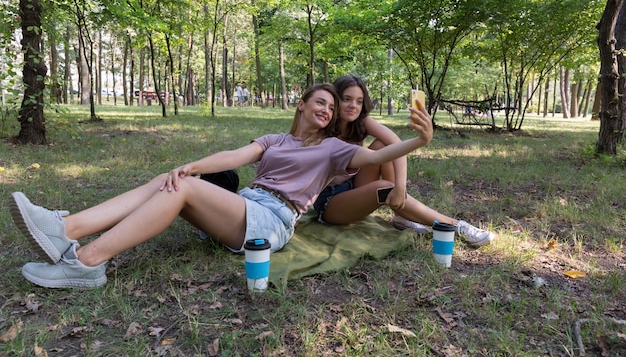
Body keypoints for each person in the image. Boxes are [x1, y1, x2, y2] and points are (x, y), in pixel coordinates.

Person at [9, 83, 433, 289]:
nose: (326, 109)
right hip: (245, 206)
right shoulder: (276, 140)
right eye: (318, 102)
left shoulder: (335, 149)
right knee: (172, 179)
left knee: (186, 189)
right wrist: (188, 165)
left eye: (331, 105)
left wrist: (421, 140)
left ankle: (86, 262)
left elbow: (379, 156)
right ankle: (63, 229)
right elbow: (234, 157)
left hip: (272, 222)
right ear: (301, 104)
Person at [313, 75, 495, 247]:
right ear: (335, 99)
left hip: (354, 187)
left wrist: (400, 187)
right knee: (382, 188)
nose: (353, 105)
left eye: (359, 101)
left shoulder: (361, 122)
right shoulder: (323, 126)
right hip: (330, 203)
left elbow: (396, 144)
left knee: (383, 144)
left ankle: (400, 212)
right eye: (346, 99)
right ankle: (455, 226)